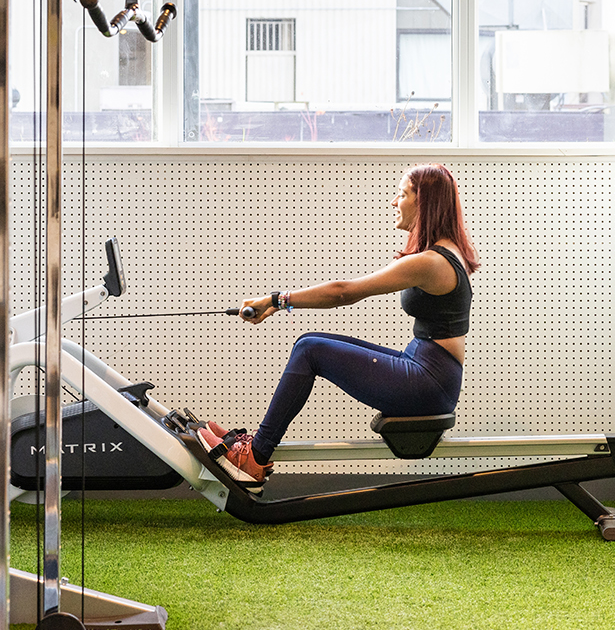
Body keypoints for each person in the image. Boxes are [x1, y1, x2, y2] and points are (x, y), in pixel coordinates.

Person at [198, 162, 480, 489]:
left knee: (309, 349)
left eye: (402, 194)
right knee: (310, 341)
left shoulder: (431, 262)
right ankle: (253, 447)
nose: (394, 202)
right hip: (429, 372)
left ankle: (254, 458)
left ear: (424, 202)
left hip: (428, 383)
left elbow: (343, 292)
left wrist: (275, 301)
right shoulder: (442, 253)